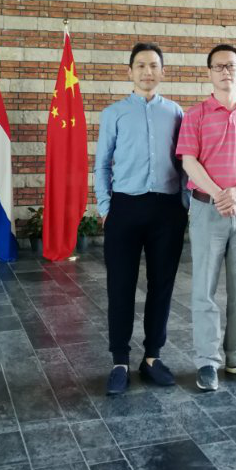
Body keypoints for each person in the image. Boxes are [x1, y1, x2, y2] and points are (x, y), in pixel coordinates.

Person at [176, 43, 236, 391]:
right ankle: (207, 361)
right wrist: (220, 194)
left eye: (231, 65)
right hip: (207, 209)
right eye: (218, 66)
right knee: (204, 289)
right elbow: (189, 161)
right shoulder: (195, 115)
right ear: (209, 73)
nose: (225, 71)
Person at [94, 42, 189, 395]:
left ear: (163, 71)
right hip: (124, 208)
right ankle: (119, 361)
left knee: (162, 285)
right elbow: (102, 164)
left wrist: (183, 203)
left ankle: (152, 358)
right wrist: (106, 208)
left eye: (153, 65)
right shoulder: (114, 113)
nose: (148, 71)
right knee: (120, 285)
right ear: (130, 71)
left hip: (167, 210)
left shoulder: (176, 112)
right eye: (141, 65)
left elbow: (184, 162)